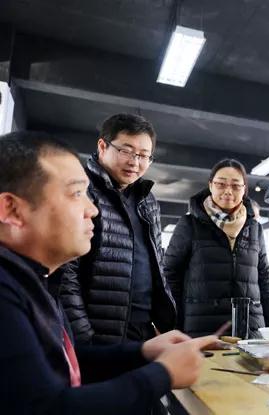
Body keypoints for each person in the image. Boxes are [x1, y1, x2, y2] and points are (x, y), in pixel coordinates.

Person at [0, 131, 225, 414]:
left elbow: (68, 363)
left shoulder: (37, 282)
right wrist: (163, 374)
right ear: (12, 210)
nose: (92, 210)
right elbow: (47, 408)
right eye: (76, 194)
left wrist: (144, 351)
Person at [58, 113, 175, 344]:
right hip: (99, 330)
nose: (134, 162)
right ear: (102, 146)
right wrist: (82, 335)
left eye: (143, 155)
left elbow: (157, 265)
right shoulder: (81, 189)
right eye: (126, 151)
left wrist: (160, 323)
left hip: (144, 330)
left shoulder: (148, 200)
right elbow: (65, 271)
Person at [164, 159, 269, 338]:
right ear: (211, 185)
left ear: (244, 189)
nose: (228, 191)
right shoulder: (190, 224)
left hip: (250, 329)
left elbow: (264, 278)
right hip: (202, 330)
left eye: (236, 186)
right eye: (221, 184)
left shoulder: (255, 228)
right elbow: (170, 276)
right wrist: (172, 325)